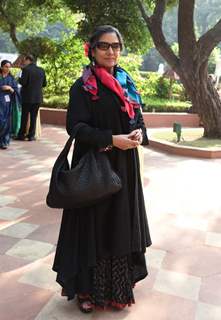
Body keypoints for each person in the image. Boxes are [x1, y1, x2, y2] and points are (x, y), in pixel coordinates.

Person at [52, 25, 152, 313]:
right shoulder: (83, 86)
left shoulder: (126, 81)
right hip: (94, 168)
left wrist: (139, 135)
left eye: (116, 46)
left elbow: (139, 119)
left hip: (125, 168)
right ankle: (87, 290)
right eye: (104, 46)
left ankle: (117, 289)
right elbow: (76, 127)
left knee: (119, 225)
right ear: (92, 50)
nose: (111, 51)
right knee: (92, 228)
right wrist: (110, 140)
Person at [16, 54, 46, 141]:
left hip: (27, 97)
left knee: (24, 116)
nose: (24, 62)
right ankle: (31, 136)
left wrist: (19, 78)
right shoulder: (41, 70)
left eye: (24, 60)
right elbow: (44, 84)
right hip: (37, 98)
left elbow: (23, 82)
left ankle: (21, 135)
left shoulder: (26, 69)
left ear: (28, 60)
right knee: (33, 117)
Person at [0, 60, 20, 149]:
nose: (8, 68)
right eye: (6, 66)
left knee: (6, 123)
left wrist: (10, 89)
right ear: (2, 67)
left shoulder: (11, 78)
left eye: (9, 67)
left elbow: (16, 91)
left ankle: (4, 141)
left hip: (7, 104)